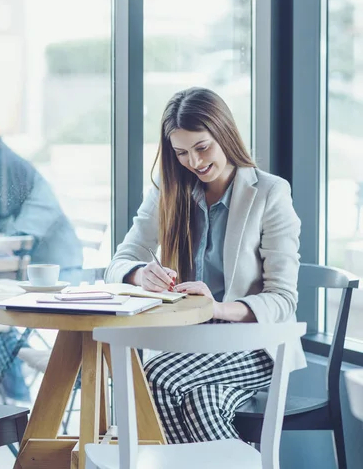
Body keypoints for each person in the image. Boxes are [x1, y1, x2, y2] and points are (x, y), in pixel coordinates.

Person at [105, 87, 305, 444]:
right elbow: (119, 262)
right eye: (181, 153)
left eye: (202, 147)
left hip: (253, 346)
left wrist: (217, 308)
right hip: (190, 344)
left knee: (155, 376)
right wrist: (139, 273)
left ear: (224, 134)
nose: (194, 162)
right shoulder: (167, 192)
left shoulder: (270, 193)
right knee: (204, 402)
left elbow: (283, 299)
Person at [0, 110, 83, 401]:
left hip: (54, 277)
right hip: (11, 279)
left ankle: (15, 401)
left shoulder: (15, 174)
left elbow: (15, 241)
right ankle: (8, 395)